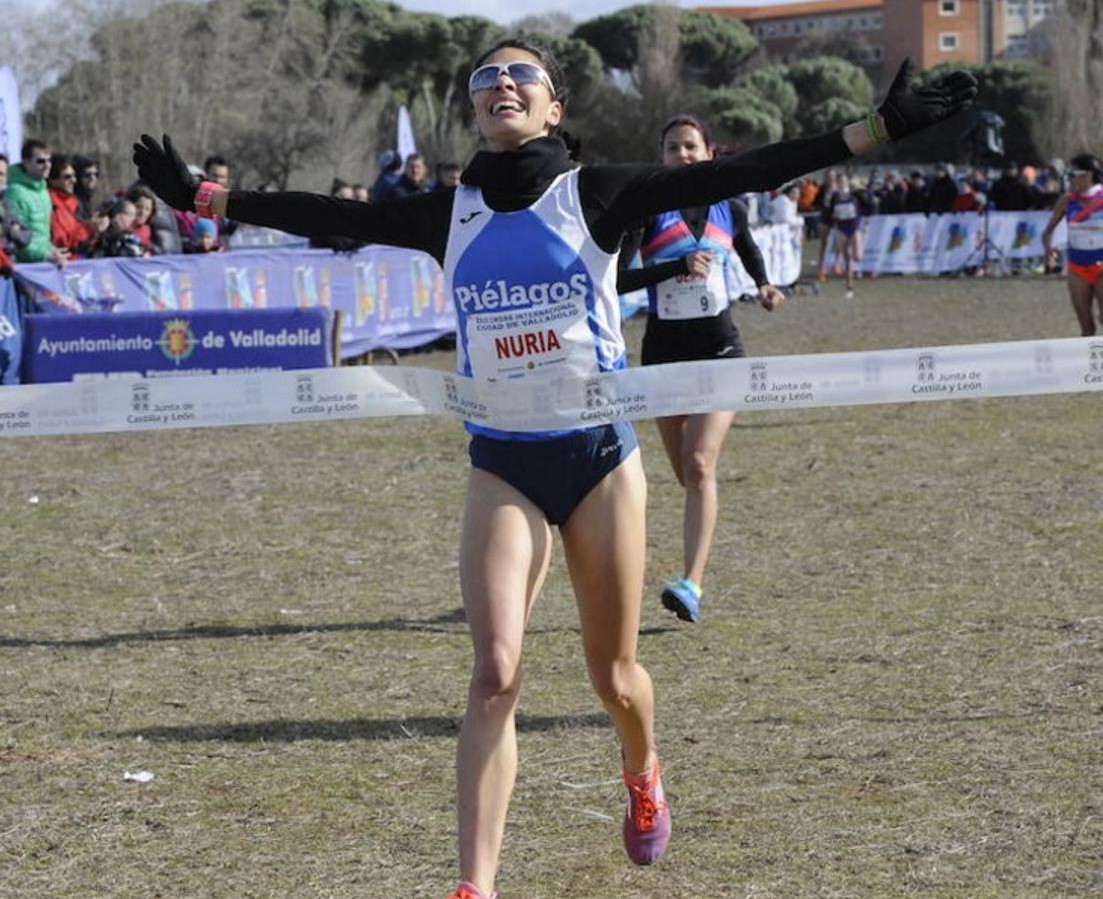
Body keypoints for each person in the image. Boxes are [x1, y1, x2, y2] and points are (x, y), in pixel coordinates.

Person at [133, 44, 974, 899]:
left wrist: (877, 129)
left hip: (599, 461)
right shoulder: (444, 214)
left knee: (610, 678)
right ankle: (476, 886)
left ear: (552, 110)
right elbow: (314, 208)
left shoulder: (597, 193)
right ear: (473, 112)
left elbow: (753, 169)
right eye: (484, 79)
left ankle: (642, 770)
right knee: (495, 674)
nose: (500, 84)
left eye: (519, 76)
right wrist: (205, 198)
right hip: (503, 463)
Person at [614, 113, 787, 623]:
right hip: (665, 356)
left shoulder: (729, 206)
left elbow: (750, 250)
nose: (682, 155)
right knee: (684, 474)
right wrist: (674, 266)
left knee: (698, 463)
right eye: (672, 148)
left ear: (709, 153)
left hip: (721, 351)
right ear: (662, 156)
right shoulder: (646, 211)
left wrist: (764, 285)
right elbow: (620, 281)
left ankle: (691, 583)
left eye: (691, 147)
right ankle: (693, 555)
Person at [1043, 153, 1103, 336]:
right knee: (1087, 328)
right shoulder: (1067, 202)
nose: (1068, 180)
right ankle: (1090, 365)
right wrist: (1048, 249)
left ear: (1088, 175)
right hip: (1077, 269)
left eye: (1072, 175)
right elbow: (1047, 232)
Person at [6, 139, 68, 266]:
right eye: (41, 161)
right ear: (26, 162)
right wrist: (45, 255)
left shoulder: (43, 190)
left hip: (44, 262)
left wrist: (51, 250)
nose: (47, 165)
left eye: (49, 160)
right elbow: (18, 239)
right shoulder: (15, 192)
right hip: (26, 268)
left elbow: (41, 234)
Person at [47, 155, 96, 258]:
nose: (74, 180)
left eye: (74, 176)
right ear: (53, 180)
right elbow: (61, 240)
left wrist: (94, 230)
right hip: (60, 262)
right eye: (67, 177)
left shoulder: (73, 203)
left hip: (76, 261)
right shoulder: (51, 203)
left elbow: (79, 238)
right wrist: (90, 229)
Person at [827, 175, 864, 298]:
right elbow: (829, 211)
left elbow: (866, 204)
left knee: (857, 257)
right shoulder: (835, 196)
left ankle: (854, 272)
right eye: (839, 182)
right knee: (847, 259)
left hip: (854, 227)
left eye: (843, 181)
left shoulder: (854, 194)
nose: (842, 184)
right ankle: (849, 287)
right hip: (841, 228)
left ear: (847, 182)